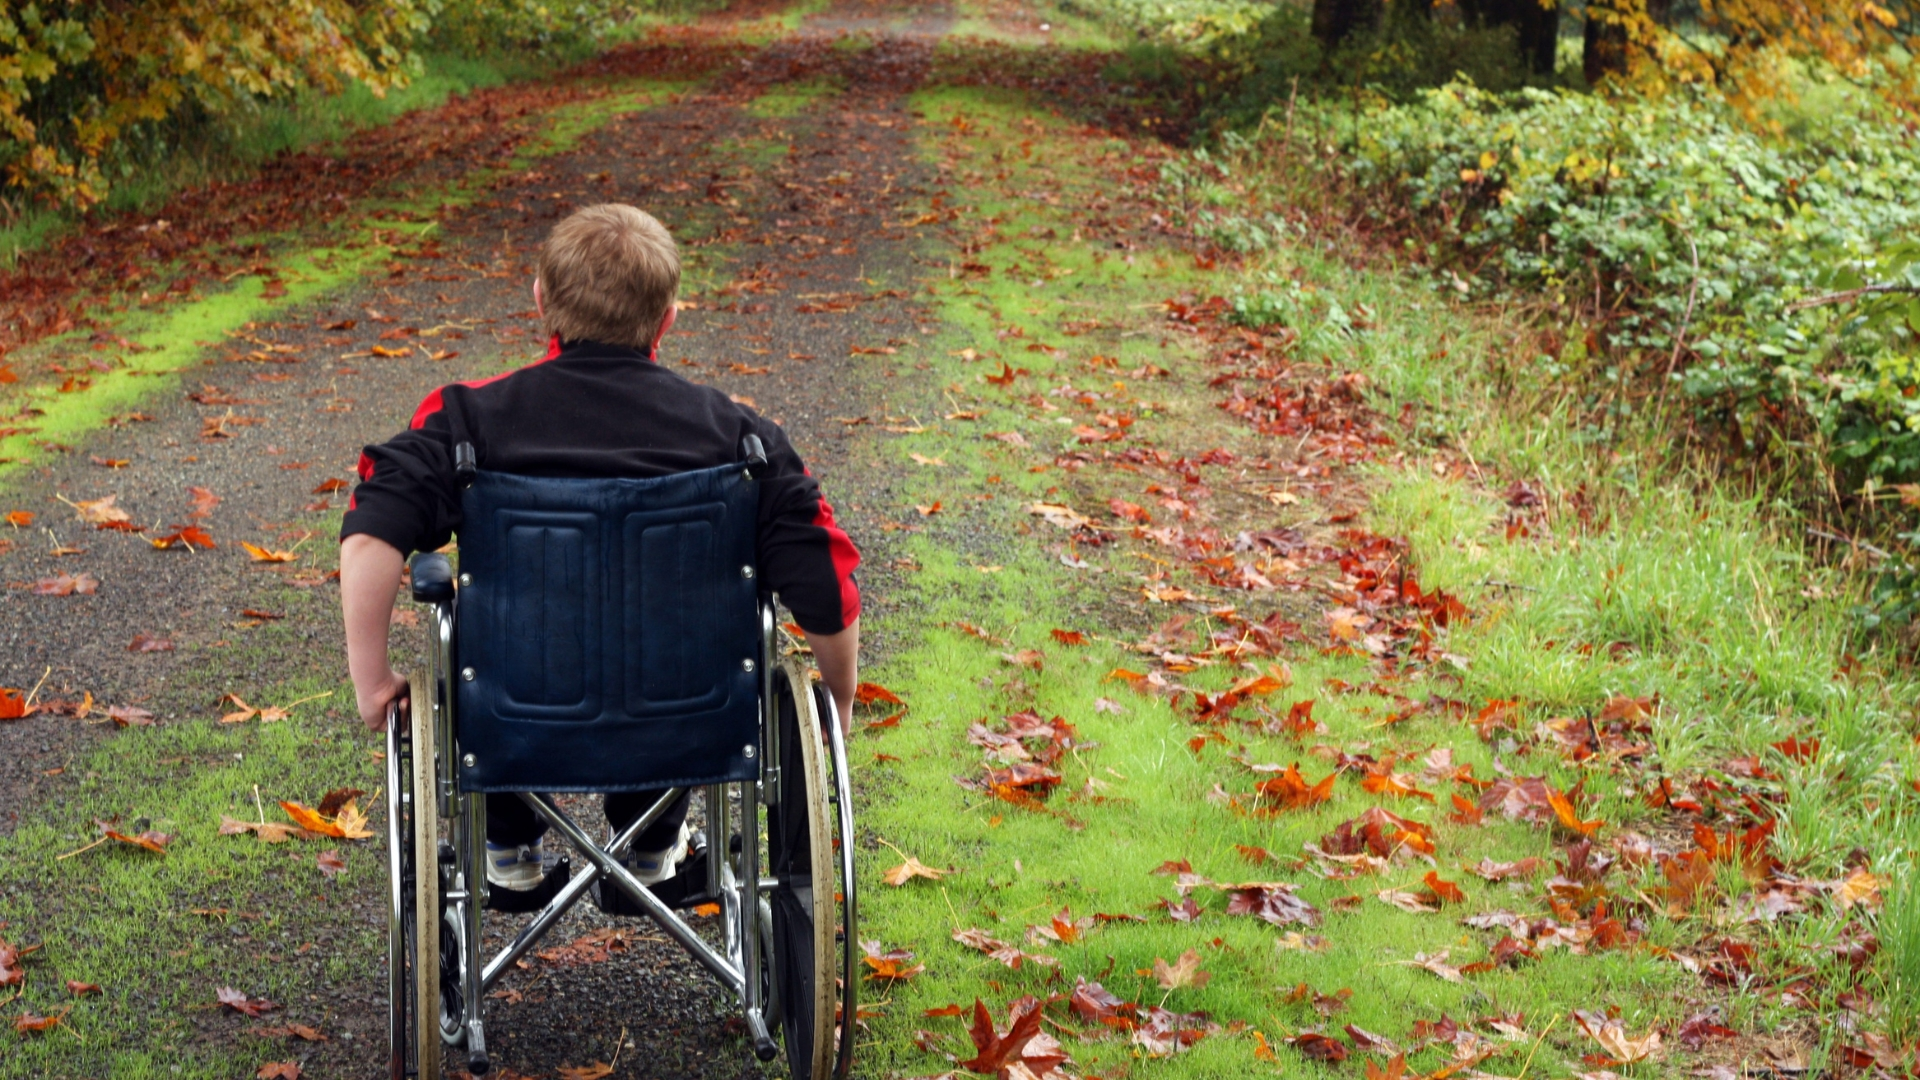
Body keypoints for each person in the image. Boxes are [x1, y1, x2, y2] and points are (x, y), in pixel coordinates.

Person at [337, 203, 861, 893]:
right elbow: (824, 578)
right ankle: (653, 841)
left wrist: (371, 683)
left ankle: (506, 841)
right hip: (689, 724)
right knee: (682, 647)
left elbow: (373, 525)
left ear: (540, 302)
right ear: (669, 317)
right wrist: (840, 701)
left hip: (515, 716)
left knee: (487, 632)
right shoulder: (740, 439)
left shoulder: (467, 420)